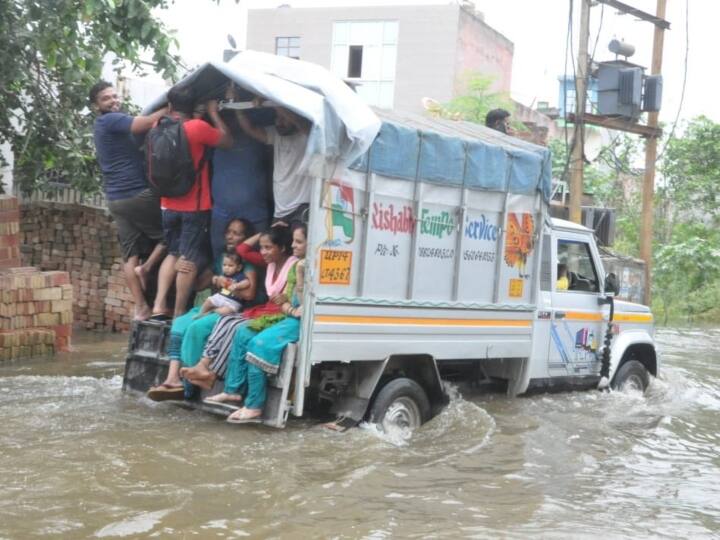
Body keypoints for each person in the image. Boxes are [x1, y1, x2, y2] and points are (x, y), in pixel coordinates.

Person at [179, 226, 297, 399]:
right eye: (262, 247)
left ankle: (212, 374)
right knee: (225, 320)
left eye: (268, 247)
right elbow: (242, 249)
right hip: (266, 310)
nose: (263, 252)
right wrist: (267, 229)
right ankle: (204, 365)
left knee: (235, 326)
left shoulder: (293, 265)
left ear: (282, 248)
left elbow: (291, 295)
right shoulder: (270, 264)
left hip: (279, 314)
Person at [147, 218, 258, 401]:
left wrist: (232, 285)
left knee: (195, 329)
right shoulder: (221, 260)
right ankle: (173, 378)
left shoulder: (247, 265)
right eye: (229, 231)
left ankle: (189, 385)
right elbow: (198, 285)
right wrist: (182, 268)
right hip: (211, 304)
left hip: (230, 310)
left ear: (246, 238)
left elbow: (250, 294)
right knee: (179, 324)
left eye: (237, 233)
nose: (230, 236)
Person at [150, 86, 232, 319]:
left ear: (170, 106)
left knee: (173, 253)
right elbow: (227, 141)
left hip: (167, 203)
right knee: (188, 259)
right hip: (194, 206)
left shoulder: (158, 126)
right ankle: (178, 313)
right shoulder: (198, 128)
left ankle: (158, 304)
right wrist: (213, 113)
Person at [90, 80, 167, 321]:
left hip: (115, 200)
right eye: (106, 98)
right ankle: (147, 269)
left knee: (129, 255)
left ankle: (141, 307)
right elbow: (143, 123)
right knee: (173, 232)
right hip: (135, 195)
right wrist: (170, 109)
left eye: (114, 96)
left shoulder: (104, 125)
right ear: (96, 106)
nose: (113, 101)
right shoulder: (109, 120)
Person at [225, 223, 307, 423]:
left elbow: (306, 304)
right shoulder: (298, 265)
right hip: (290, 316)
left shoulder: (306, 266)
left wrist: (291, 308)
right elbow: (288, 300)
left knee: (258, 344)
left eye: (299, 242)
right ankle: (234, 391)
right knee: (244, 332)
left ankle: (254, 405)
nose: (293, 245)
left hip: (300, 321)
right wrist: (288, 307)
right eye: (293, 241)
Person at [234, 101, 312, 224]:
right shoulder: (276, 135)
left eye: (283, 118)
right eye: (277, 118)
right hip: (280, 212)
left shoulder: (307, 136)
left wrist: (273, 101)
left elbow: (301, 123)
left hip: (301, 210)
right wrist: (237, 107)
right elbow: (250, 129)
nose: (279, 122)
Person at [194, 251, 250, 319]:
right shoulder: (224, 275)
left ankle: (210, 312)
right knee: (208, 301)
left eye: (230, 265)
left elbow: (247, 282)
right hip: (221, 296)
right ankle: (201, 313)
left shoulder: (239, 276)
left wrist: (237, 285)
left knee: (226, 311)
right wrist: (215, 278)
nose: (226, 268)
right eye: (224, 265)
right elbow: (217, 279)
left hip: (233, 302)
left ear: (238, 267)